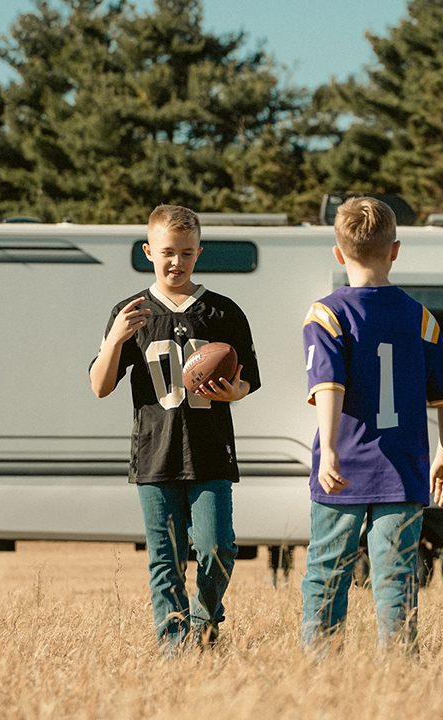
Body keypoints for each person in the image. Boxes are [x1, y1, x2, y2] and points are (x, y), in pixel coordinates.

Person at [89, 204, 260, 652]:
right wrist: (114, 340)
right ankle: (173, 647)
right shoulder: (131, 313)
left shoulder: (223, 312)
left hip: (210, 452)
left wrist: (233, 391)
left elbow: (248, 381)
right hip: (155, 454)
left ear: (199, 252)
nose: (176, 262)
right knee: (165, 559)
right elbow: (99, 386)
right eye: (167, 252)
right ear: (149, 251)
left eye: (186, 252)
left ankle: (204, 622)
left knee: (218, 546)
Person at [300, 196, 443, 652]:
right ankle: (399, 667)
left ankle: (319, 666)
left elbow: (328, 385)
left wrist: (329, 448)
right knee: (396, 574)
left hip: (344, 467)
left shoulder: (326, 314)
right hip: (404, 470)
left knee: (326, 572)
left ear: (338, 253)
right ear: (395, 250)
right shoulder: (421, 317)